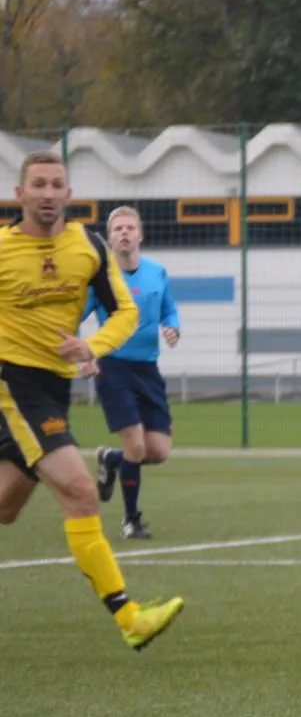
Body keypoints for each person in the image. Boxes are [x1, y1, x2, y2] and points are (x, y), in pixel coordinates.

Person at [0, 152, 185, 649]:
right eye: (38, 184)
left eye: (56, 184)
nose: (47, 193)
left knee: (5, 509)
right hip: (13, 386)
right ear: (20, 194)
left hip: (53, 390)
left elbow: (124, 312)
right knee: (82, 491)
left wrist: (93, 346)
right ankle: (129, 617)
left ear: (68, 194)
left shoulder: (88, 247)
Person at [83, 206, 180, 538]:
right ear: (109, 239)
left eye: (129, 228)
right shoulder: (102, 278)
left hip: (147, 369)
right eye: (117, 229)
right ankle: (131, 521)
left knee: (158, 451)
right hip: (112, 368)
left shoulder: (157, 273)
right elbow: (74, 317)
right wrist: (85, 354)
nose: (124, 233)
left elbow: (169, 310)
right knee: (136, 447)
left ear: (140, 234)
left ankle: (111, 460)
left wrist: (173, 328)